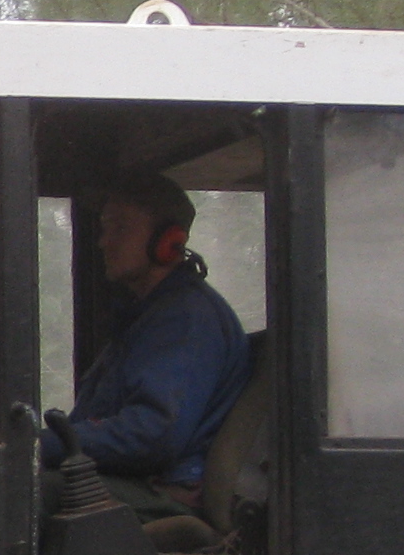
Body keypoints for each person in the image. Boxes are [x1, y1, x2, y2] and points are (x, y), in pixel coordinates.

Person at [47, 173, 251, 508]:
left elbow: (154, 434)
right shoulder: (145, 317)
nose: (103, 242)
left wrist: (47, 445)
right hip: (134, 482)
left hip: (163, 492)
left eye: (120, 228)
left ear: (167, 240)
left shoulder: (185, 318)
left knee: (14, 494)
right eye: (104, 228)